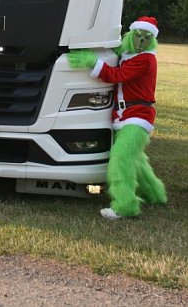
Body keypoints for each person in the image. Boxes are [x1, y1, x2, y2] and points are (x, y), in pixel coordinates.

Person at [68, 16, 168, 219]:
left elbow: (117, 75)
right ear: (131, 35)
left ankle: (125, 205)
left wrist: (93, 62)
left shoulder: (145, 59)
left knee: (121, 159)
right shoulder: (130, 54)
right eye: (138, 36)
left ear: (152, 40)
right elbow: (117, 52)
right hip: (125, 115)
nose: (141, 41)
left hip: (137, 117)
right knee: (137, 160)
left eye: (146, 38)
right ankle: (155, 195)